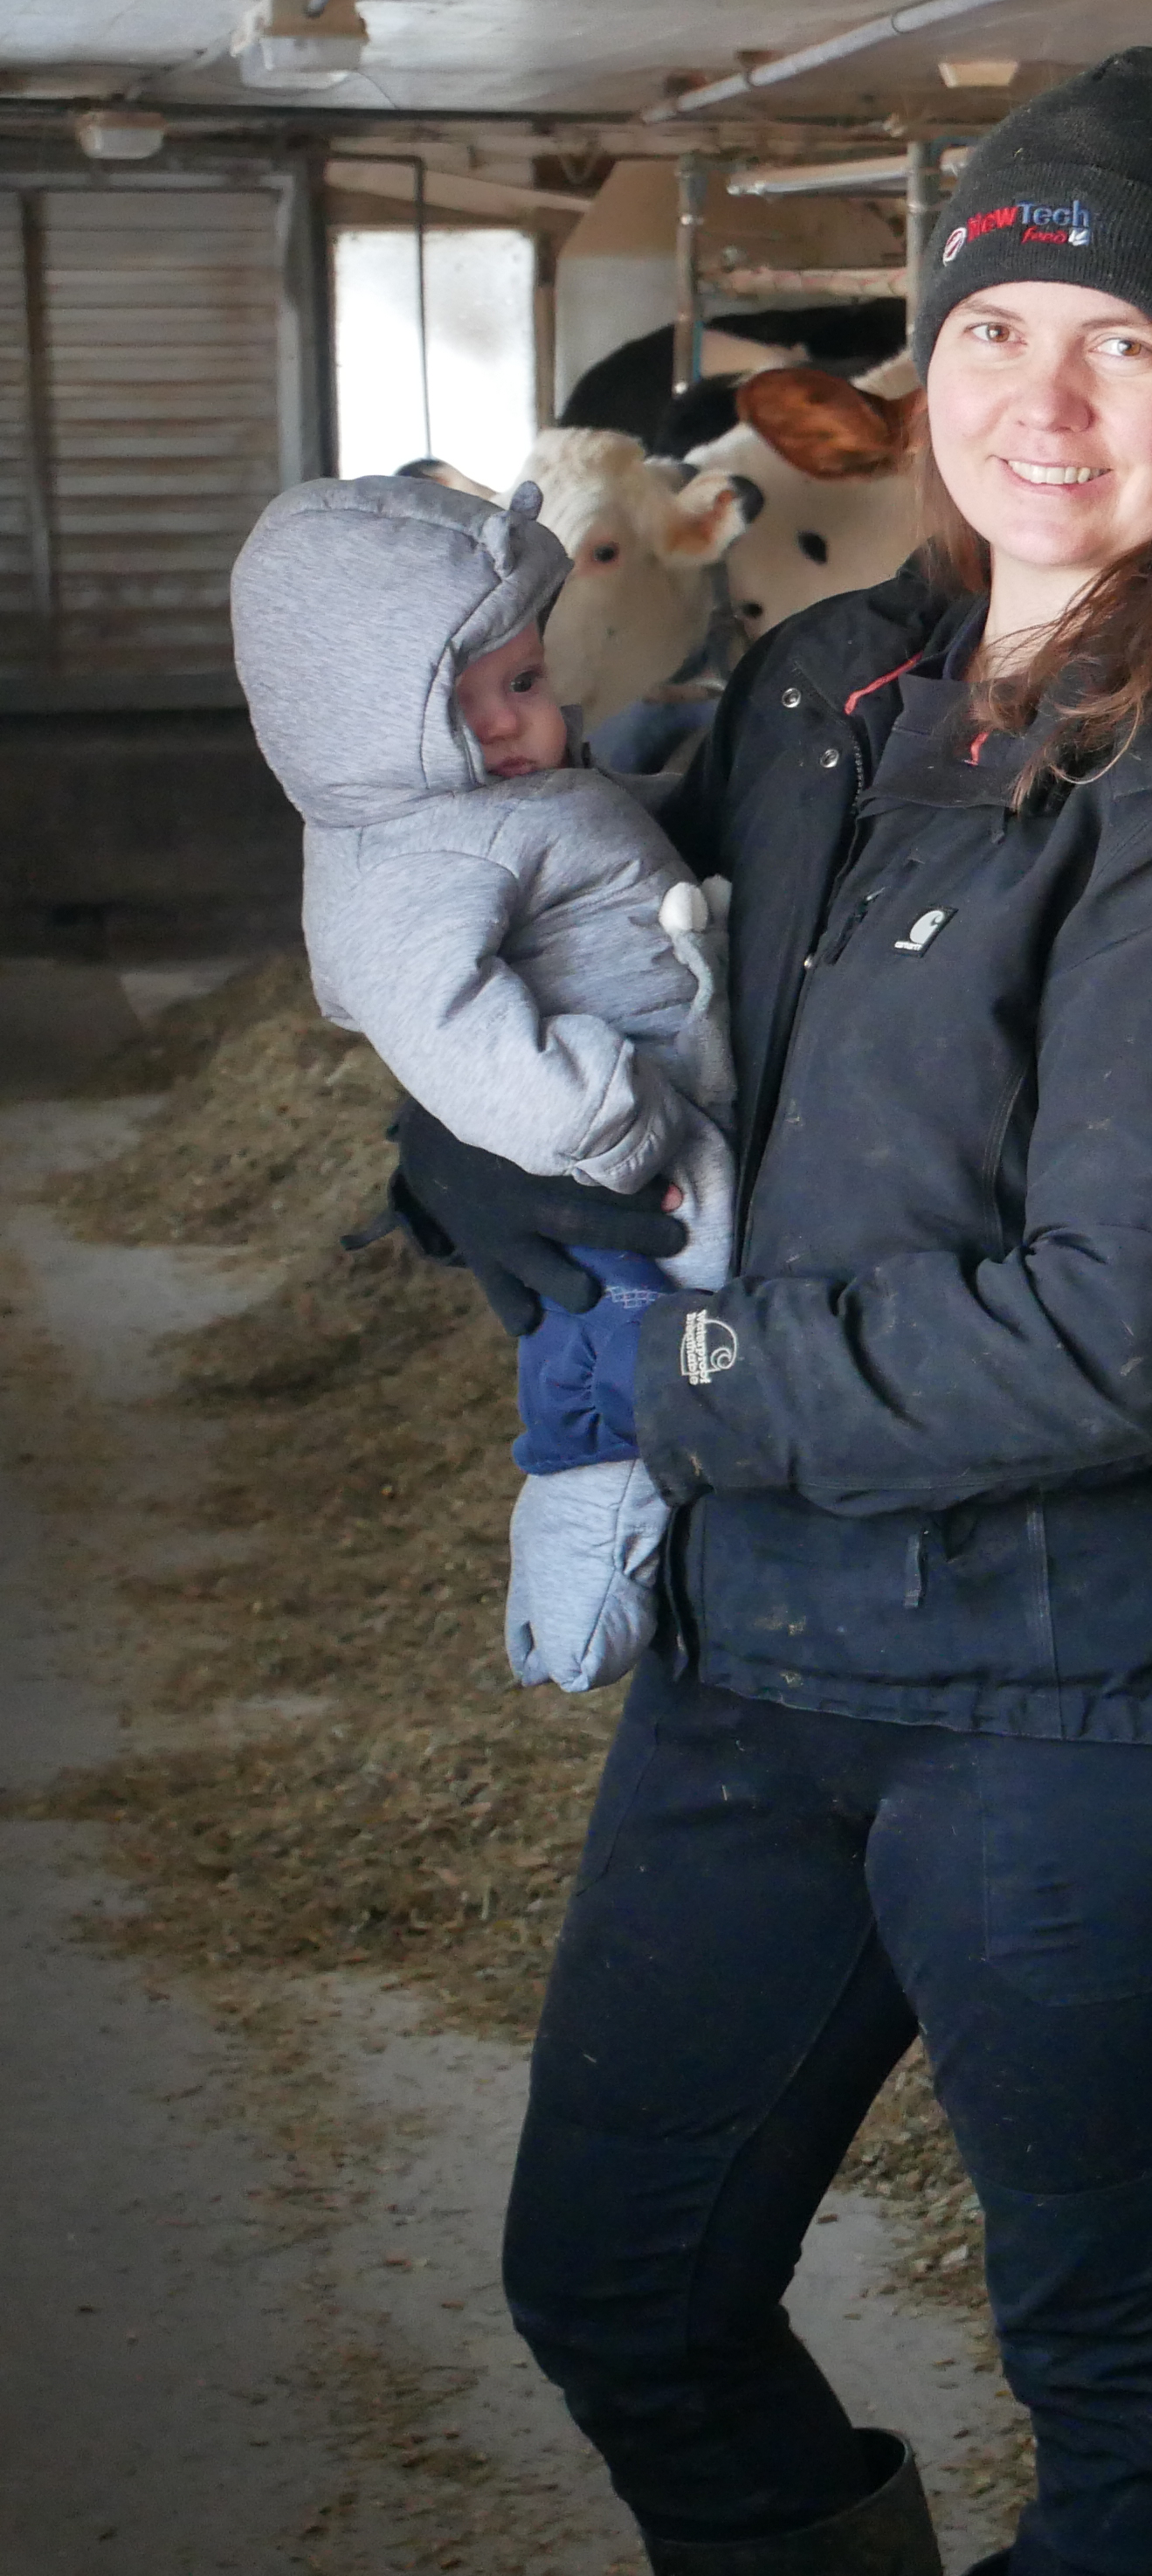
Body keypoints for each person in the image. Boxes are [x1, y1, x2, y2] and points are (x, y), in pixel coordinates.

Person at [395, 46, 1152, 2576]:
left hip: (1105, 1688)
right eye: (1003, 330)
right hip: (767, 1656)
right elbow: (622, 1045)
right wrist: (472, 1119)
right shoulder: (824, 689)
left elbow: (1133, 1337)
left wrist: (679, 1389)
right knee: (613, 2280)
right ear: (921, 368)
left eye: (1128, 346)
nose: (1047, 404)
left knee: (1116, 2361)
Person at [232, 473, 738, 1694]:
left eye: (524, 682)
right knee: (611, 1381)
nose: (521, 724)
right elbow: (443, 1023)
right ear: (354, 720)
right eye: (470, 706)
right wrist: (610, 1121)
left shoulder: (504, 799)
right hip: (618, 1164)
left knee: (683, 1367)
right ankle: (574, 1602)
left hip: (681, 1115)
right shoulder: (406, 859)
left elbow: (616, 836)